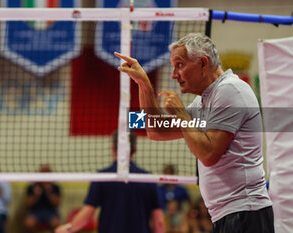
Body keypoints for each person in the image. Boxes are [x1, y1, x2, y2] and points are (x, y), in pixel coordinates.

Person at [114, 33, 274, 233]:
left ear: (203, 63)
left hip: (246, 213)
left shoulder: (230, 90)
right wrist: (144, 84)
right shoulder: (205, 99)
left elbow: (209, 154)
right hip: (228, 215)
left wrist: (181, 113)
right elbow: (155, 130)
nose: (174, 74)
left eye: (179, 65)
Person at [55, 131, 165, 233]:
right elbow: (158, 220)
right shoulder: (148, 178)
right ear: (135, 150)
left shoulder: (103, 177)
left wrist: (68, 228)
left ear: (113, 148)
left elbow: (88, 214)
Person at [24, 164, 61, 233]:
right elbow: (28, 204)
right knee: (29, 223)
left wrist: (49, 192)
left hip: (51, 212)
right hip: (35, 211)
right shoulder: (32, 187)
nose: (45, 175)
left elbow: (57, 204)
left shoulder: (55, 187)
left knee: (56, 223)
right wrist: (36, 195)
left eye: (47, 173)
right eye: (43, 173)